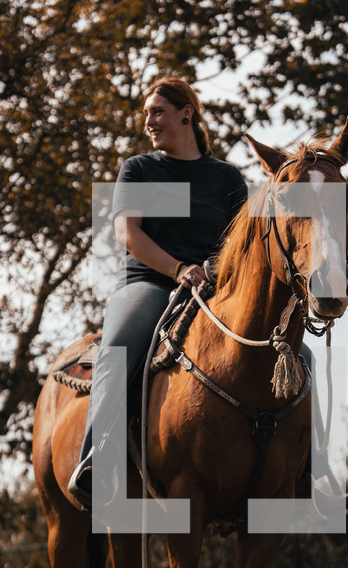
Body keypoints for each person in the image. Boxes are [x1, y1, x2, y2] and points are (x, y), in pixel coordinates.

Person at [68, 77, 248, 509]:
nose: (148, 121)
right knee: (119, 347)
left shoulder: (225, 178)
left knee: (298, 355)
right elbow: (128, 235)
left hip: (214, 291)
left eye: (157, 111)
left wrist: (211, 271)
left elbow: (241, 247)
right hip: (149, 283)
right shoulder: (140, 169)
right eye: (147, 113)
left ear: (187, 113)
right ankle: (98, 459)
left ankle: (311, 479)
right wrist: (178, 269)